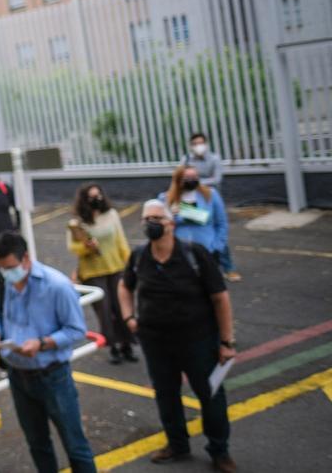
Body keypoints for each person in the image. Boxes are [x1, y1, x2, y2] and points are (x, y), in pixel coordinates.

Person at [118, 200, 236, 473]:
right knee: (166, 394)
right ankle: (177, 444)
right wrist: (129, 318)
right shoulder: (139, 257)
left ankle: (220, 451)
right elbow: (125, 287)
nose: (151, 224)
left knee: (211, 396)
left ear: (171, 223)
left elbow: (220, 298)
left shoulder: (195, 255)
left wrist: (227, 342)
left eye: (157, 218)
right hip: (156, 342)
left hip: (198, 340)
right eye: (147, 219)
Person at [0, 232, 96, 473]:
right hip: (18, 375)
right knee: (37, 444)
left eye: (10, 267)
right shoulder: (2, 281)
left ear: (26, 258)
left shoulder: (57, 286)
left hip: (52, 376)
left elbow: (76, 330)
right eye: (1, 268)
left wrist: (42, 343)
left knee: (75, 446)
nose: (6, 273)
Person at [65, 183, 135, 365]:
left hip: (115, 267)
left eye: (99, 195)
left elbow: (121, 240)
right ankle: (112, 346)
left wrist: (130, 264)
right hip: (93, 272)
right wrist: (87, 247)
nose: (97, 200)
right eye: (92, 197)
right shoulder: (78, 222)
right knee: (104, 310)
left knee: (121, 308)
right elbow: (73, 247)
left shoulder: (111, 215)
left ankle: (127, 344)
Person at [158, 166, 236, 280]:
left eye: (195, 177)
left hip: (207, 250)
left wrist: (218, 246)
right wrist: (171, 216)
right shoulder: (165, 198)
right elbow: (161, 226)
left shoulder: (210, 194)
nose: (192, 180)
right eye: (187, 177)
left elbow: (221, 223)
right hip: (179, 252)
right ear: (178, 179)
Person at [181, 133, 240, 282]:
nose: (198, 146)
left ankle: (228, 268)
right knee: (195, 232)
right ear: (191, 145)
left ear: (206, 144)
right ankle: (200, 267)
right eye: (195, 143)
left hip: (210, 201)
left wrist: (196, 182)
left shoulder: (214, 159)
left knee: (218, 233)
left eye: (201, 143)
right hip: (191, 199)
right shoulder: (186, 159)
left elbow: (217, 179)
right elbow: (179, 177)